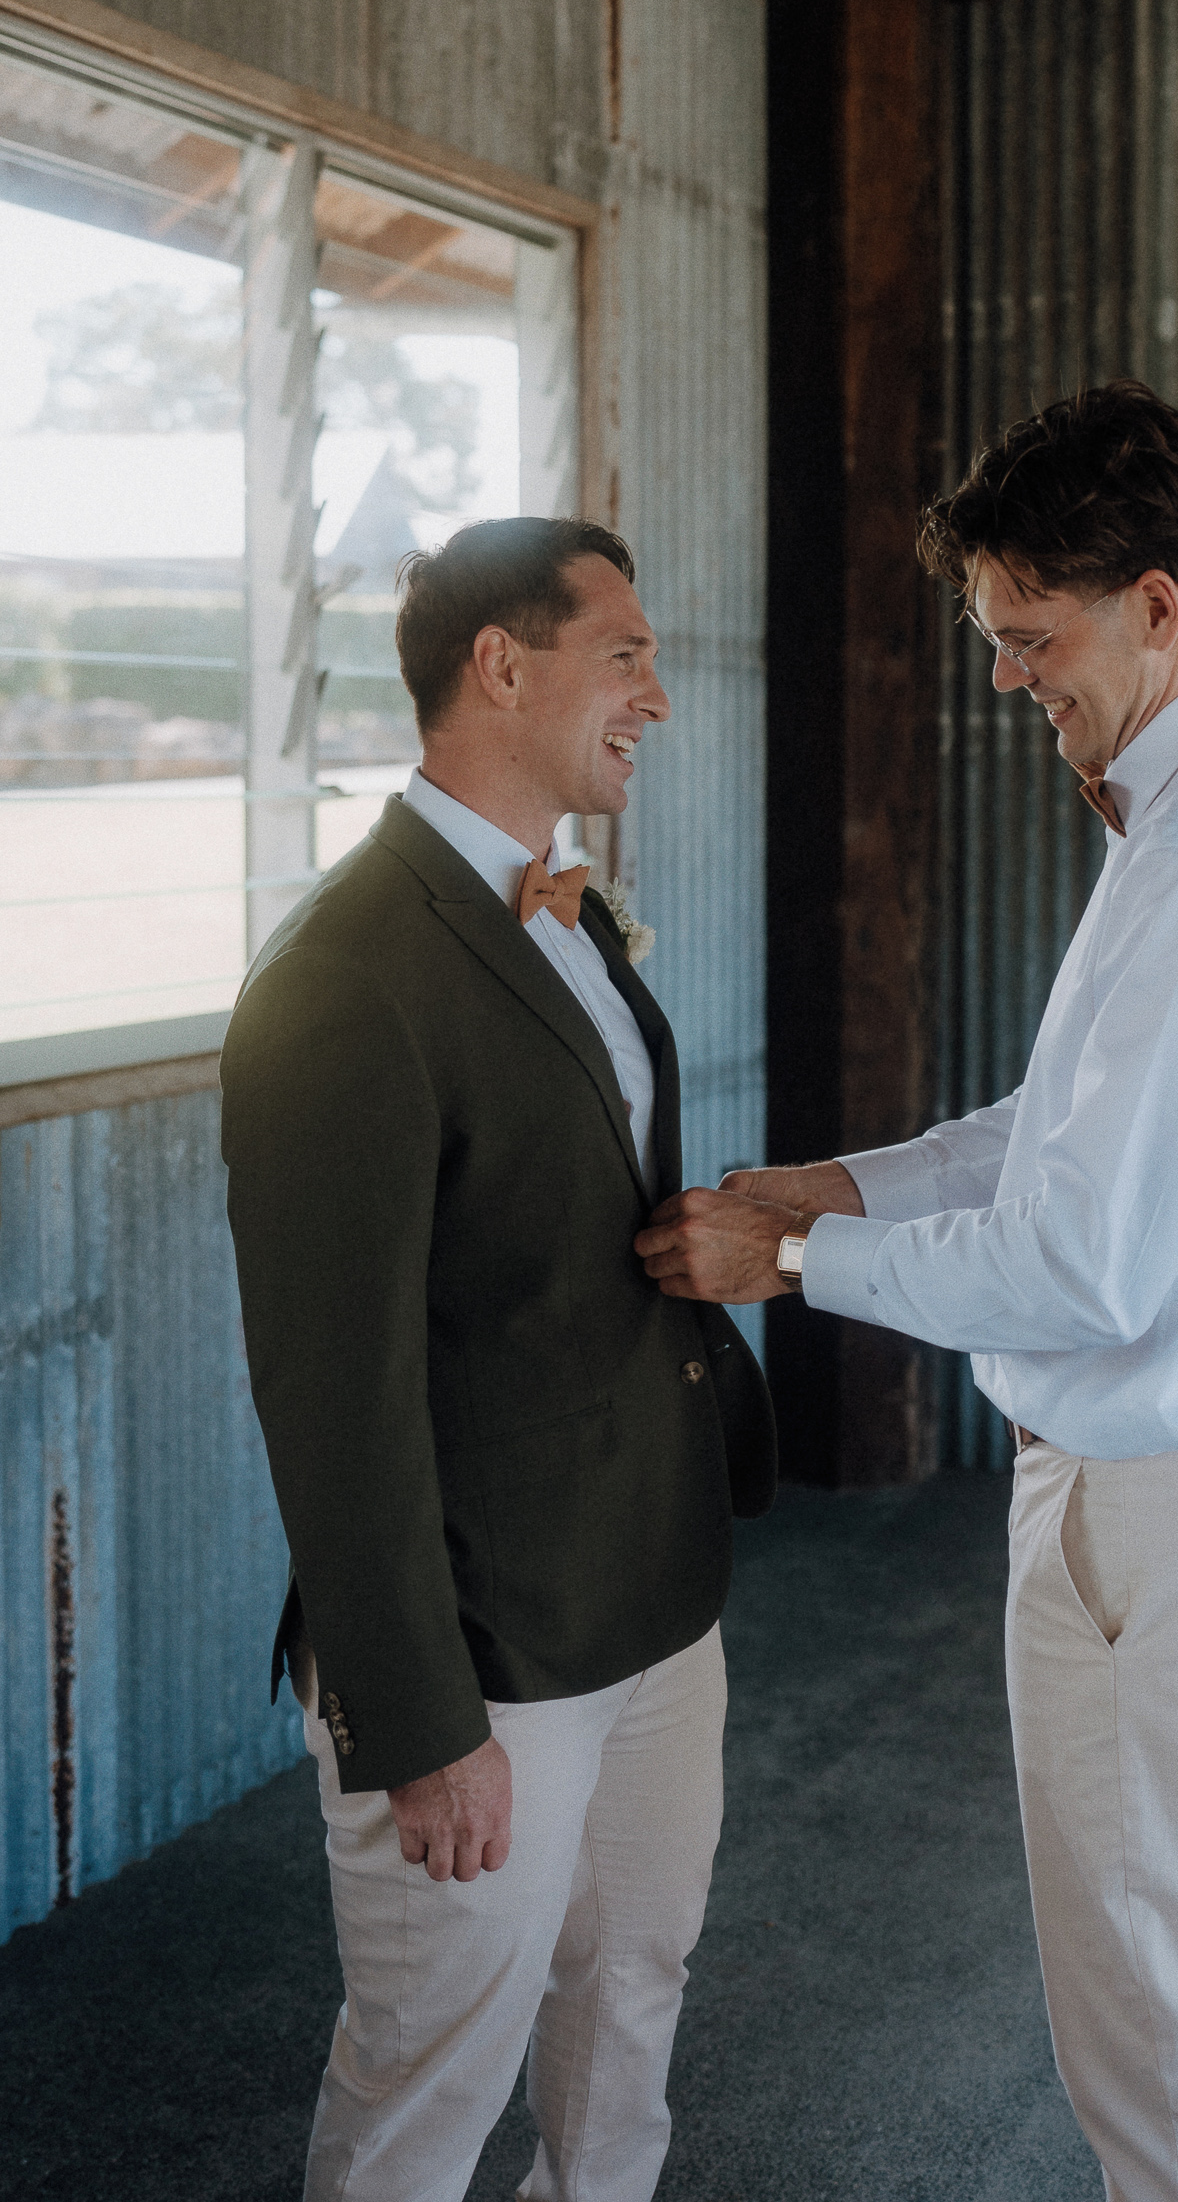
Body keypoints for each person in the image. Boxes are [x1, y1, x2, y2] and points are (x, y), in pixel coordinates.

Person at [636, 382, 1178, 2202]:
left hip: (1177, 1495)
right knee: (1157, 2012)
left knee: (1166, 2040)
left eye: (1029, 638)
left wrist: (793, 1257)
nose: (1004, 679)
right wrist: (852, 1182)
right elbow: (1066, 1130)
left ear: (1156, 602)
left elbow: (1087, 1259)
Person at [222, 515, 774, 2202]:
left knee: (631, 2006)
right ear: (502, 666)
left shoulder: (570, 914)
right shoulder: (339, 984)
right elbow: (335, 1399)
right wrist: (421, 1722)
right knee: (427, 2085)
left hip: (655, 1599)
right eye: (628, 654)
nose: (658, 696)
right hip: (485, 1659)